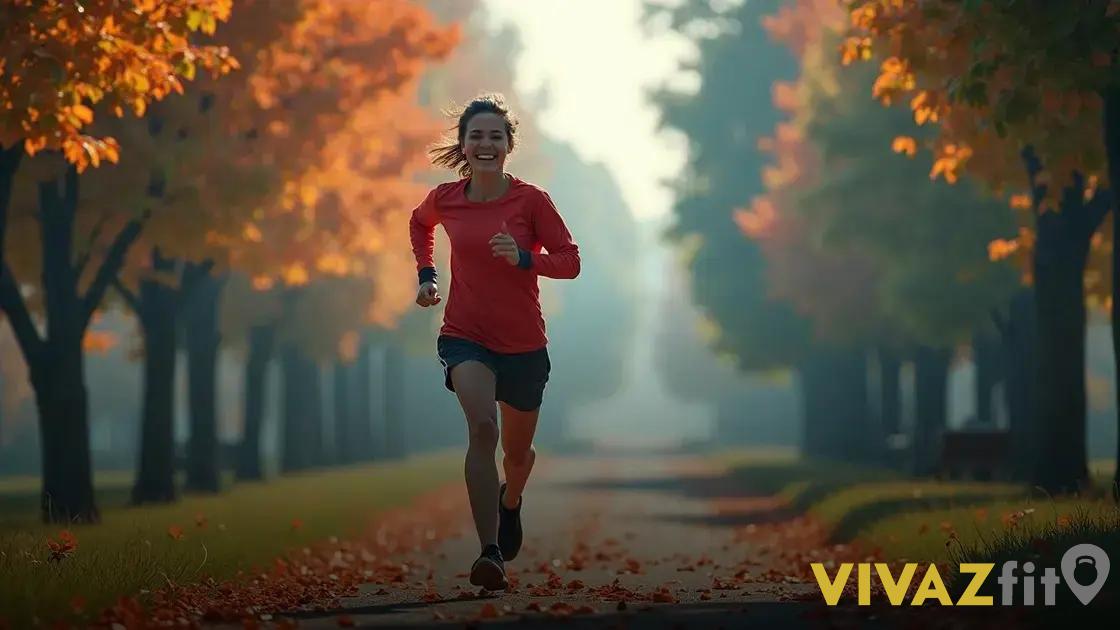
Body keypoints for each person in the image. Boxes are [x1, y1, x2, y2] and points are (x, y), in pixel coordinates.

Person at [408, 93, 581, 591]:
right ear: (464, 144)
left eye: (495, 136)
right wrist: (426, 275)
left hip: (524, 344)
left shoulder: (531, 201)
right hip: (465, 337)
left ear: (509, 145)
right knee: (483, 430)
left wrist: (525, 259)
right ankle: (489, 553)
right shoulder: (445, 198)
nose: (485, 144)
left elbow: (570, 261)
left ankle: (512, 500)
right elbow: (420, 224)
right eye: (476, 135)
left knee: (518, 458)